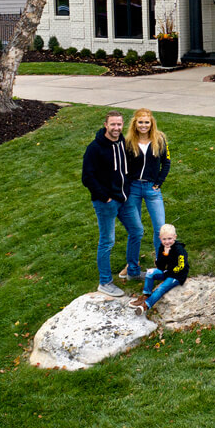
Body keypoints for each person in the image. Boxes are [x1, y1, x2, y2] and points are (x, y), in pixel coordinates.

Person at [82, 110, 143, 297]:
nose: (116, 128)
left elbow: (130, 168)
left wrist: (128, 188)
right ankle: (105, 282)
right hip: (106, 203)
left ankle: (132, 271)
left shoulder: (123, 144)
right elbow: (87, 177)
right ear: (105, 125)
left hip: (124, 199)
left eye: (119, 124)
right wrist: (105, 197)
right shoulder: (95, 148)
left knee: (137, 231)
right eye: (113, 124)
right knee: (107, 241)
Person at [123, 108, 171, 266]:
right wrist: (126, 184)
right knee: (135, 230)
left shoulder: (160, 139)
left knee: (160, 228)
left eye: (146, 122)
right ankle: (132, 266)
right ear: (135, 124)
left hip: (152, 189)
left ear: (152, 124)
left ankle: (161, 263)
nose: (143, 125)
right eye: (140, 122)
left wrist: (159, 182)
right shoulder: (128, 142)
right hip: (133, 189)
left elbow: (166, 163)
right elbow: (123, 166)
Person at [130, 224, 188, 315]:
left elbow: (181, 266)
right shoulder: (162, 247)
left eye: (169, 239)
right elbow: (160, 266)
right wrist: (165, 254)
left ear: (175, 237)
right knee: (150, 273)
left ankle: (145, 305)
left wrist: (169, 272)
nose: (167, 242)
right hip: (167, 272)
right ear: (160, 238)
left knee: (160, 288)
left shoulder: (179, 250)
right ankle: (146, 295)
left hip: (177, 275)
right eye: (164, 239)